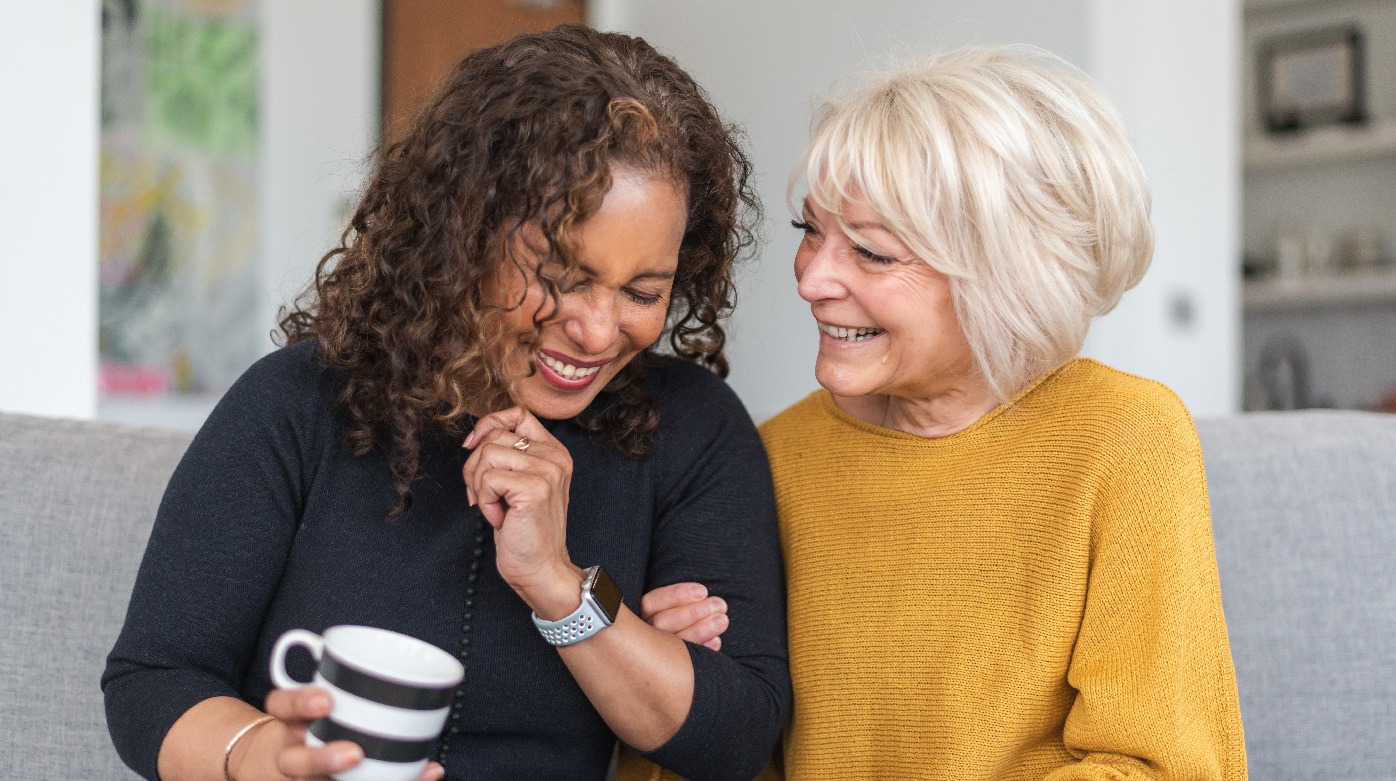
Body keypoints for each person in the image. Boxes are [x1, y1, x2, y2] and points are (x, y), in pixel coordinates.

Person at [103, 25, 789, 781]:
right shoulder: (296, 403)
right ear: (463, 236)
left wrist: (561, 588)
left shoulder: (691, 430)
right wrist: (262, 756)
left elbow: (734, 735)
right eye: (559, 275)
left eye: (641, 291)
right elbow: (154, 679)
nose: (596, 329)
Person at [633, 44, 1247, 779]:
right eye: (810, 232)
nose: (812, 279)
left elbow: (1159, 765)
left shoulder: (1122, 438)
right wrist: (680, 693)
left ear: (1010, 278)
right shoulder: (770, 456)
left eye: (871, 252)